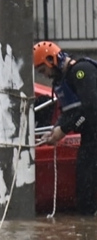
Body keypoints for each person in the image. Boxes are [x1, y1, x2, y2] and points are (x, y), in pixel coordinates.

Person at [33, 41, 97, 215]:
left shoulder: (81, 71)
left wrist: (64, 130)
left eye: (42, 70)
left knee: (87, 185)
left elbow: (91, 109)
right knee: (84, 187)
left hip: (93, 136)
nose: (44, 75)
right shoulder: (63, 81)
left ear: (50, 60)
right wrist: (57, 129)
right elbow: (68, 111)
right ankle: (87, 231)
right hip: (90, 138)